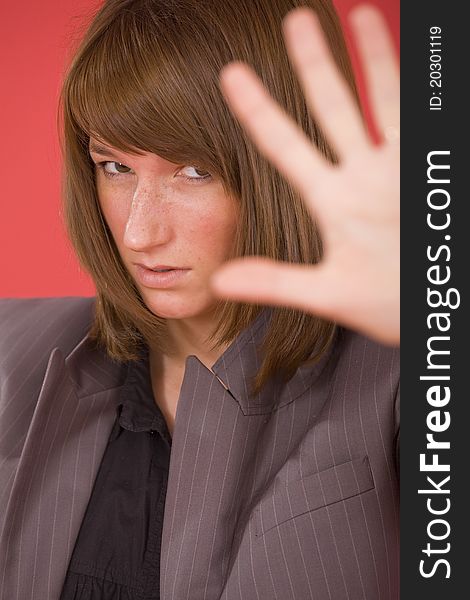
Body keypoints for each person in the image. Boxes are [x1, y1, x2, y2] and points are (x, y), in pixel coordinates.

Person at [0, 0, 399, 598]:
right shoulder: (10, 350)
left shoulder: (406, 369)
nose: (139, 233)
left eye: (192, 172)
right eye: (114, 167)